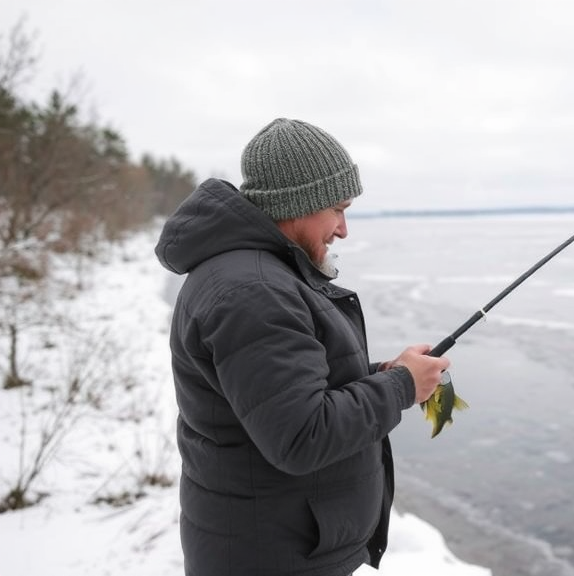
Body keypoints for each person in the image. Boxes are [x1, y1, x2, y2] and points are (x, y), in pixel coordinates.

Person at [155, 118, 450, 576]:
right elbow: (300, 435)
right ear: (298, 204)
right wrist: (399, 387)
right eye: (338, 208)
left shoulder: (257, 275)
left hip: (278, 544)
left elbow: (281, 392)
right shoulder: (254, 291)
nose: (344, 229)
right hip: (272, 556)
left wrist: (384, 373)